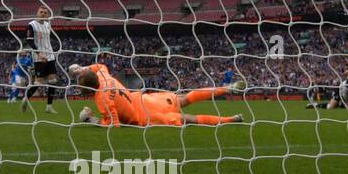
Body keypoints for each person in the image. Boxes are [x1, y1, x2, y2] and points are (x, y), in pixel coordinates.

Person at [71, 63, 244, 127]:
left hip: (147, 116)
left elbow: (114, 125)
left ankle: (231, 119)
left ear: (88, 88)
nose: (78, 87)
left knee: (186, 118)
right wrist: (83, 69)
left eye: (80, 85)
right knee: (184, 98)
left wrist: (90, 120)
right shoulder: (103, 74)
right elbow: (99, 66)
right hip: (146, 100)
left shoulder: (102, 99)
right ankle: (228, 88)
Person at [24, 5, 60, 111]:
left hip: (50, 55)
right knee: (38, 82)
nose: (43, 14)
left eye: (45, 12)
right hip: (38, 57)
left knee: (53, 80)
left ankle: (49, 106)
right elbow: (29, 41)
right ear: (37, 13)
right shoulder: (31, 25)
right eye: (41, 12)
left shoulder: (48, 25)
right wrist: (39, 53)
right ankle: (26, 99)